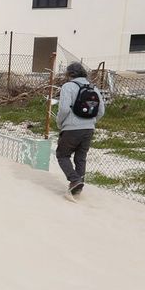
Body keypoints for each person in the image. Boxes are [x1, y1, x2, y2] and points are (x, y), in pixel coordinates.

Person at [55, 62, 104, 198]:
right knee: (81, 158)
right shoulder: (94, 88)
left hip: (71, 128)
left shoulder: (68, 86)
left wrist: (60, 123)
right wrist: (91, 122)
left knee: (62, 155)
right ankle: (78, 187)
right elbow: (101, 111)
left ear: (69, 74)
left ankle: (74, 180)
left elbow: (64, 109)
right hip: (89, 129)